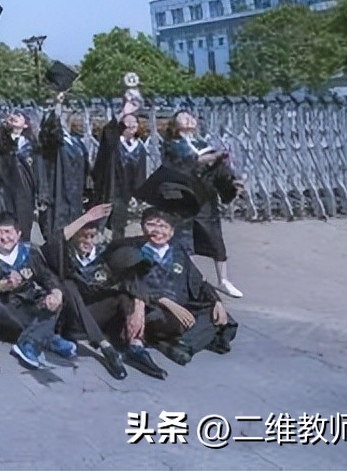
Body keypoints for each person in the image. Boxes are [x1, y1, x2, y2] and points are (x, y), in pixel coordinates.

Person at [123, 207, 237, 367]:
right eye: (151, 224)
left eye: (163, 226)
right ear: (143, 227)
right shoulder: (133, 252)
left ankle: (180, 344)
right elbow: (129, 284)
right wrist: (163, 301)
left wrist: (216, 301)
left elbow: (199, 281)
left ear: (171, 232)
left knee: (223, 318)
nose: (157, 231)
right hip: (154, 309)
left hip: (183, 306)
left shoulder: (177, 252)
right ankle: (191, 341)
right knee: (176, 322)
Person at [0, 211, 72, 371]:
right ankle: (33, 341)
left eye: (8, 232)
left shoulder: (29, 253)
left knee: (55, 298)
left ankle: (42, 338)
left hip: (28, 303)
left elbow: (47, 276)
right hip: (4, 308)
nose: (4, 237)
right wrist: (2, 286)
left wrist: (55, 292)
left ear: (18, 233)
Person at [42, 204, 130, 380]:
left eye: (92, 237)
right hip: (72, 319)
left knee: (124, 294)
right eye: (83, 236)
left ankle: (134, 344)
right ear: (74, 236)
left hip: (94, 316)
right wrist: (86, 218)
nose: (88, 242)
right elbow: (52, 244)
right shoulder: (66, 255)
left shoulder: (104, 254)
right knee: (67, 284)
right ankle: (105, 347)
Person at [164, 110, 244, 298]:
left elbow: (217, 169)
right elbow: (185, 162)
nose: (189, 119)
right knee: (184, 241)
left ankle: (223, 280)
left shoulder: (203, 145)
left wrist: (232, 182)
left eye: (190, 116)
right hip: (183, 198)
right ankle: (185, 279)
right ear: (175, 124)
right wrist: (211, 158)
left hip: (206, 199)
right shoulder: (172, 145)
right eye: (183, 117)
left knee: (215, 239)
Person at [0, 102, 41, 242]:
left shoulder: (31, 147)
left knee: (23, 229)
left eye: (19, 115)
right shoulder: (1, 142)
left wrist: (39, 196)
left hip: (24, 193)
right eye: (13, 115)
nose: (14, 117)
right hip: (4, 192)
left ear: (26, 124)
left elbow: (39, 173)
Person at [91, 97, 147, 241]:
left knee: (120, 225)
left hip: (126, 193)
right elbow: (109, 132)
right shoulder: (113, 144)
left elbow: (140, 173)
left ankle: (117, 246)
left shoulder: (139, 147)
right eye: (127, 122)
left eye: (134, 122)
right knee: (101, 224)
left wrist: (138, 195)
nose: (131, 125)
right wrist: (123, 112)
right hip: (110, 189)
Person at [37, 96, 90, 242]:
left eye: (70, 111)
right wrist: (57, 105)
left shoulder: (77, 142)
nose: (68, 115)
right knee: (58, 238)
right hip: (58, 196)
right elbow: (51, 133)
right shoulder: (53, 143)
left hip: (75, 199)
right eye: (65, 112)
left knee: (75, 237)